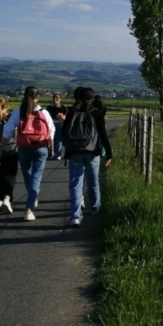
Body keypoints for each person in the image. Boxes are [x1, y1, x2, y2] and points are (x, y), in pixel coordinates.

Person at [0, 86, 55, 221]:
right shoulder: (44, 112)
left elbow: (7, 132)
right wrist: (52, 149)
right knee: (36, 178)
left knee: (28, 176)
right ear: (37, 97)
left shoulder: (17, 112)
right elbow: (51, 131)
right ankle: (28, 208)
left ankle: (32, 199)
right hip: (41, 148)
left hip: (23, 148)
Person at [62, 87, 112, 227]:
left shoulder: (72, 112)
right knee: (93, 181)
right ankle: (95, 207)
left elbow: (64, 133)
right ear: (92, 98)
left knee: (75, 184)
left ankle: (75, 216)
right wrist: (109, 154)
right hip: (93, 152)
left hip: (74, 152)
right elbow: (103, 134)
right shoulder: (97, 113)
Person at [46, 93, 67, 160]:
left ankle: (53, 153)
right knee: (58, 139)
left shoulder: (49, 107)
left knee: (53, 139)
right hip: (58, 123)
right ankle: (57, 154)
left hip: (53, 123)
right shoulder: (63, 107)